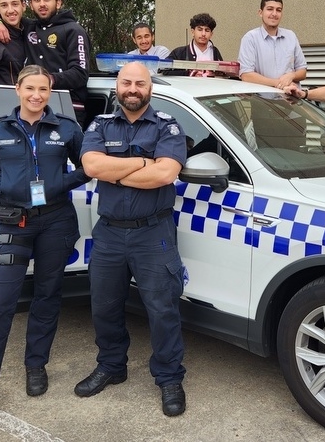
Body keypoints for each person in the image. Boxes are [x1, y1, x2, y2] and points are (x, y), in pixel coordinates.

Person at [0, 65, 88, 430]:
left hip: (57, 221)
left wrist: (61, 183)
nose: (36, 95)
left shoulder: (66, 128)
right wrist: (1, 187)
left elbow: (88, 166)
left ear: (50, 91)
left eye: (43, 89)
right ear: (17, 89)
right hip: (13, 222)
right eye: (30, 88)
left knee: (47, 296)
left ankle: (36, 365)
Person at [76, 61, 188, 417]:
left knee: (163, 309)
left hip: (153, 232)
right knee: (104, 306)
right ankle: (111, 365)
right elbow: (93, 167)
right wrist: (143, 163)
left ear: (150, 88)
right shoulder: (99, 124)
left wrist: (118, 170)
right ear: (117, 87)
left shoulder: (168, 125)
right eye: (126, 82)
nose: (133, 89)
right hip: (109, 233)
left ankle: (169, 377)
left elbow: (167, 172)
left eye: (140, 83)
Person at [0, 0, 91, 125]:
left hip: (67, 106)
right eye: (37, 0)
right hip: (32, 106)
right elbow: (6, 12)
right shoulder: (28, 27)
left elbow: (80, 73)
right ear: (30, 4)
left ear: (58, 3)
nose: (42, 4)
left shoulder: (74, 30)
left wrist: (47, 80)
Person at [238, 0, 307, 89]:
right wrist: (280, 83)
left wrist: (292, 76)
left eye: (278, 10)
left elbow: (302, 71)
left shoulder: (290, 36)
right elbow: (246, 75)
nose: (274, 14)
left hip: (291, 98)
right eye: (270, 9)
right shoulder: (250, 38)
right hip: (263, 100)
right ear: (260, 13)